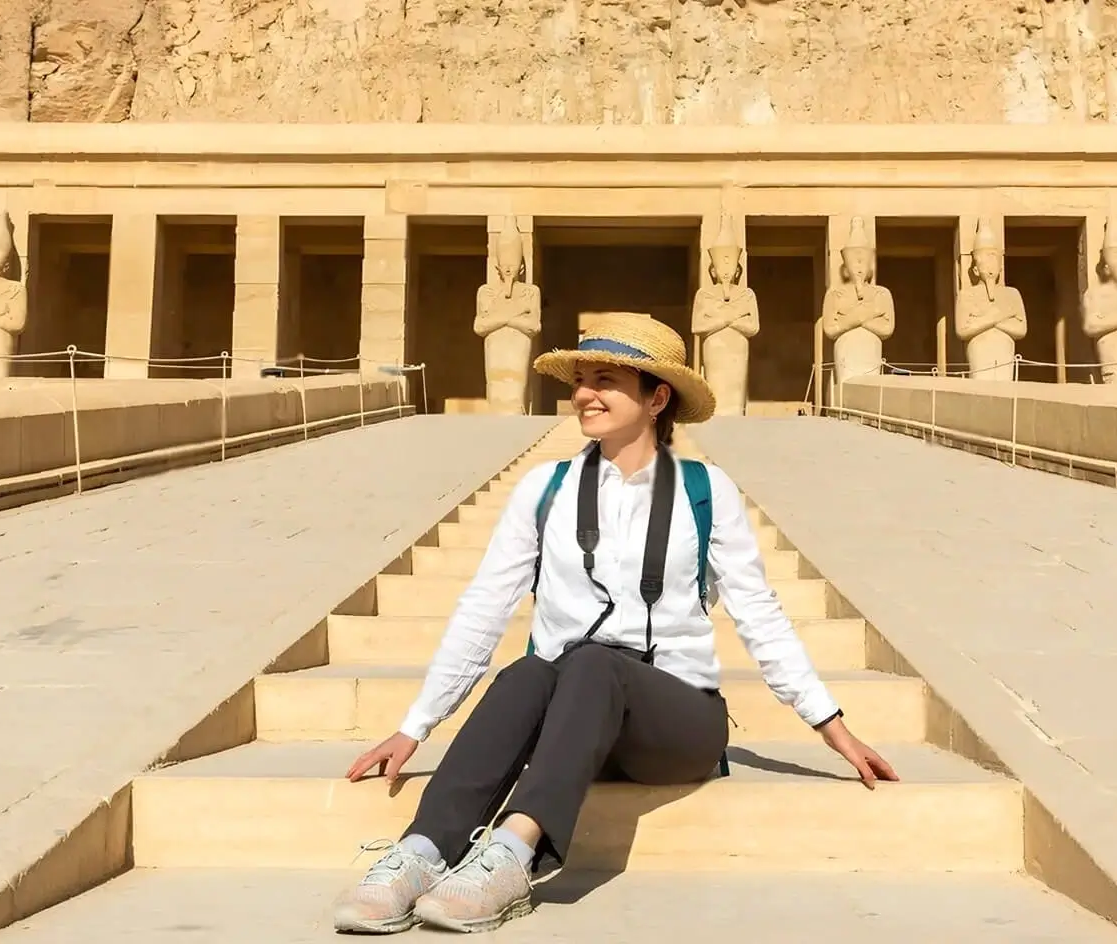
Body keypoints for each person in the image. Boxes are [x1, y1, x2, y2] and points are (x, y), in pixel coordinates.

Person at [333, 312, 898, 935]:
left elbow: (759, 612)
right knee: (528, 673)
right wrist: (415, 726)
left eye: (605, 379)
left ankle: (513, 855)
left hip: (674, 724)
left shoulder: (705, 491)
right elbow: (484, 608)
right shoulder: (544, 489)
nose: (583, 394)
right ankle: (420, 852)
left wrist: (831, 726)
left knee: (595, 661)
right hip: (573, 721)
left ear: (658, 398)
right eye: (579, 380)